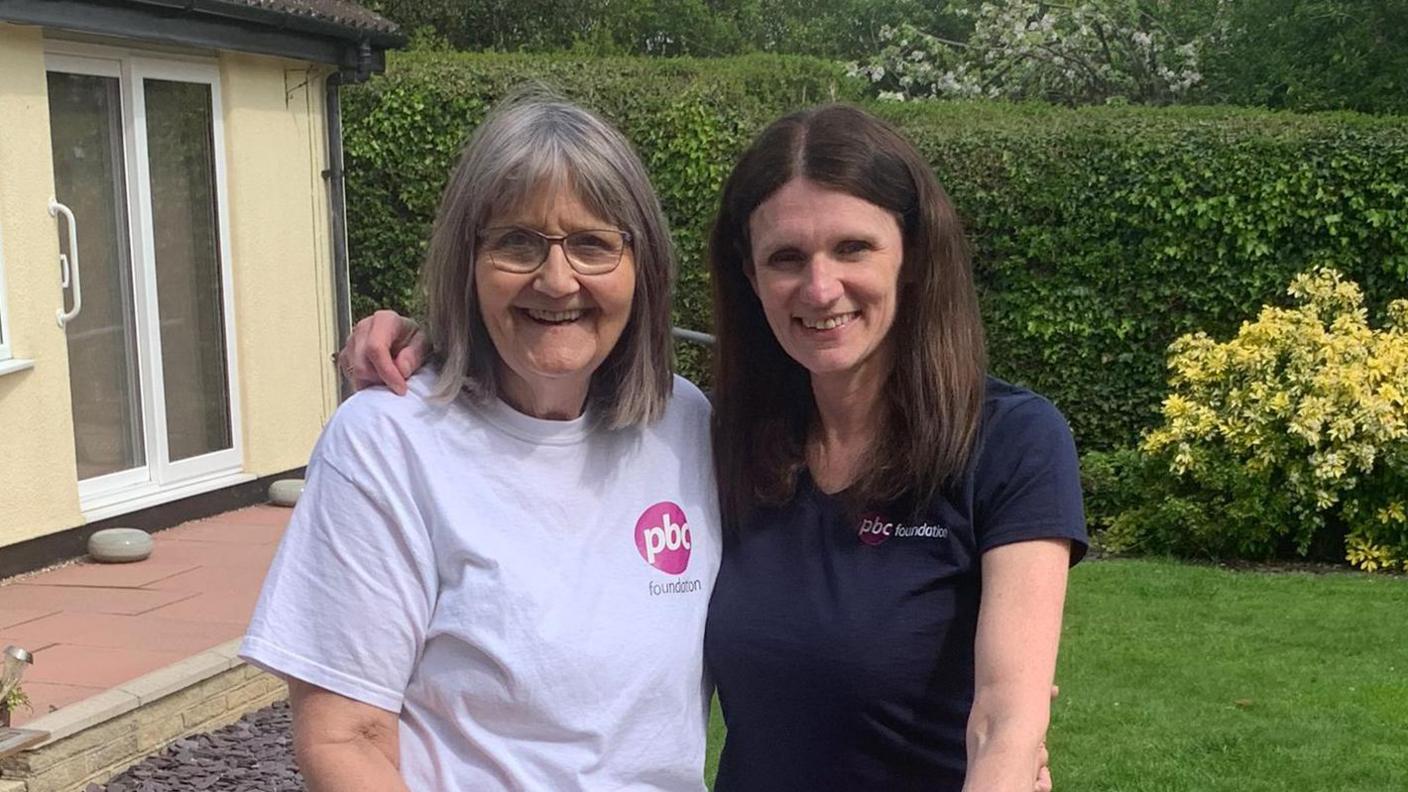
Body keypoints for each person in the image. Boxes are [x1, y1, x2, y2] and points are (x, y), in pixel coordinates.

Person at [342, 103, 1083, 791]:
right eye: (786, 257)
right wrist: (437, 341)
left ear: (913, 256)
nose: (821, 288)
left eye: (853, 247)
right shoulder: (721, 437)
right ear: (750, 275)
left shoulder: (1010, 442)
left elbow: (1007, 723)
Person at [239, 95, 721, 791]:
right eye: (517, 243)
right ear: (467, 260)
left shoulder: (688, 427)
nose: (557, 281)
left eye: (592, 243)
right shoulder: (388, 442)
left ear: (641, 266)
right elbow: (348, 740)